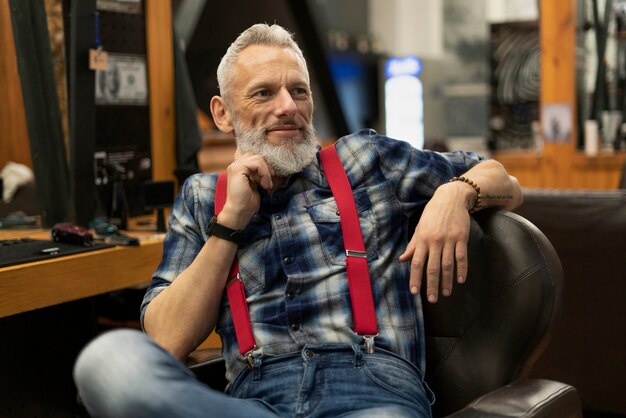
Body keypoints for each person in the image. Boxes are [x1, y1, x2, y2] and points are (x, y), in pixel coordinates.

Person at [73, 23, 523, 418]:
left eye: (299, 90)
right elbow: (167, 339)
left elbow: (503, 179)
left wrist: (457, 192)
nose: (288, 106)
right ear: (222, 114)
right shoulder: (201, 197)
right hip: (256, 400)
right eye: (264, 92)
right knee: (109, 362)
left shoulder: (366, 159)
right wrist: (229, 223)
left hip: (372, 392)